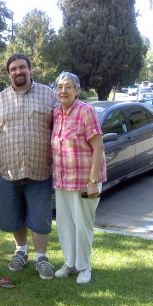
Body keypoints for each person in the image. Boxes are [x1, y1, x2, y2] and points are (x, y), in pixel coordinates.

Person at [0, 53, 59, 280]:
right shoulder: (0, 99)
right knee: (14, 215)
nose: (18, 72)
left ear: (30, 69)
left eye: (22, 67)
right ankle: (21, 252)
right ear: (8, 74)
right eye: (13, 69)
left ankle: (42, 258)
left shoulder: (48, 94)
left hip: (40, 169)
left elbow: (64, 120)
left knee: (40, 217)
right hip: (9, 169)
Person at [51, 71, 106, 284]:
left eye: (68, 87)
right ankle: (70, 263)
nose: (63, 91)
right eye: (60, 87)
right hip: (62, 180)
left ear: (77, 90)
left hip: (84, 181)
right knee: (65, 223)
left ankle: (85, 267)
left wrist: (93, 181)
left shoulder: (86, 111)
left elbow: (98, 146)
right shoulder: (56, 113)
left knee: (82, 225)